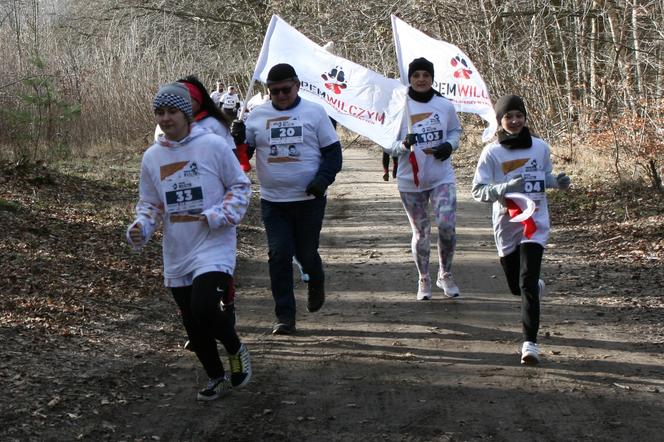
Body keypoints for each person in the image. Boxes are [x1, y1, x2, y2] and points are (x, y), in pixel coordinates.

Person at [126, 82, 253, 400]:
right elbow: (151, 203)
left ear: (186, 113)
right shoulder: (152, 157)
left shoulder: (212, 145)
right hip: (178, 247)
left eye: (171, 111)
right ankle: (216, 377)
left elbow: (240, 187)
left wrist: (219, 215)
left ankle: (236, 347)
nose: (165, 118)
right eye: (159, 112)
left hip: (213, 242)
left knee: (205, 307)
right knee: (192, 320)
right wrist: (141, 225)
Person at [230, 63, 342, 335]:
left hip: (309, 200)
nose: (280, 95)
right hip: (274, 201)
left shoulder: (314, 113)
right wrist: (238, 140)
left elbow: (333, 155)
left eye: (285, 90)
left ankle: (316, 279)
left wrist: (321, 180)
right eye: (274, 91)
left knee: (305, 253)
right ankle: (285, 316)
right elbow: (242, 159)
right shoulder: (257, 116)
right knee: (279, 254)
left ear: (297, 86)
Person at [471, 94, 571, 365]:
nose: (514, 121)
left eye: (518, 116)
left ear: (525, 118)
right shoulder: (492, 153)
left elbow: (544, 178)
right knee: (518, 286)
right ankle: (532, 287)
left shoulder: (540, 147)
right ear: (500, 122)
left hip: (535, 222)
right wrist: (505, 188)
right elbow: (478, 191)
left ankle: (530, 344)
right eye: (508, 117)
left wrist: (558, 182)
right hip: (507, 223)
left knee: (526, 282)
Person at [383, 57, 463, 301]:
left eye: (425, 75)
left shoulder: (444, 105)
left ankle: (445, 274)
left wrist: (449, 145)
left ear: (432, 78)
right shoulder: (399, 106)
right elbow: (386, 143)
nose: (420, 79)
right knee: (422, 232)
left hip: (441, 176)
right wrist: (403, 145)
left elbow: (455, 131)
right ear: (410, 78)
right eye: (416, 75)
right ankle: (424, 278)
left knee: (447, 226)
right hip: (410, 180)